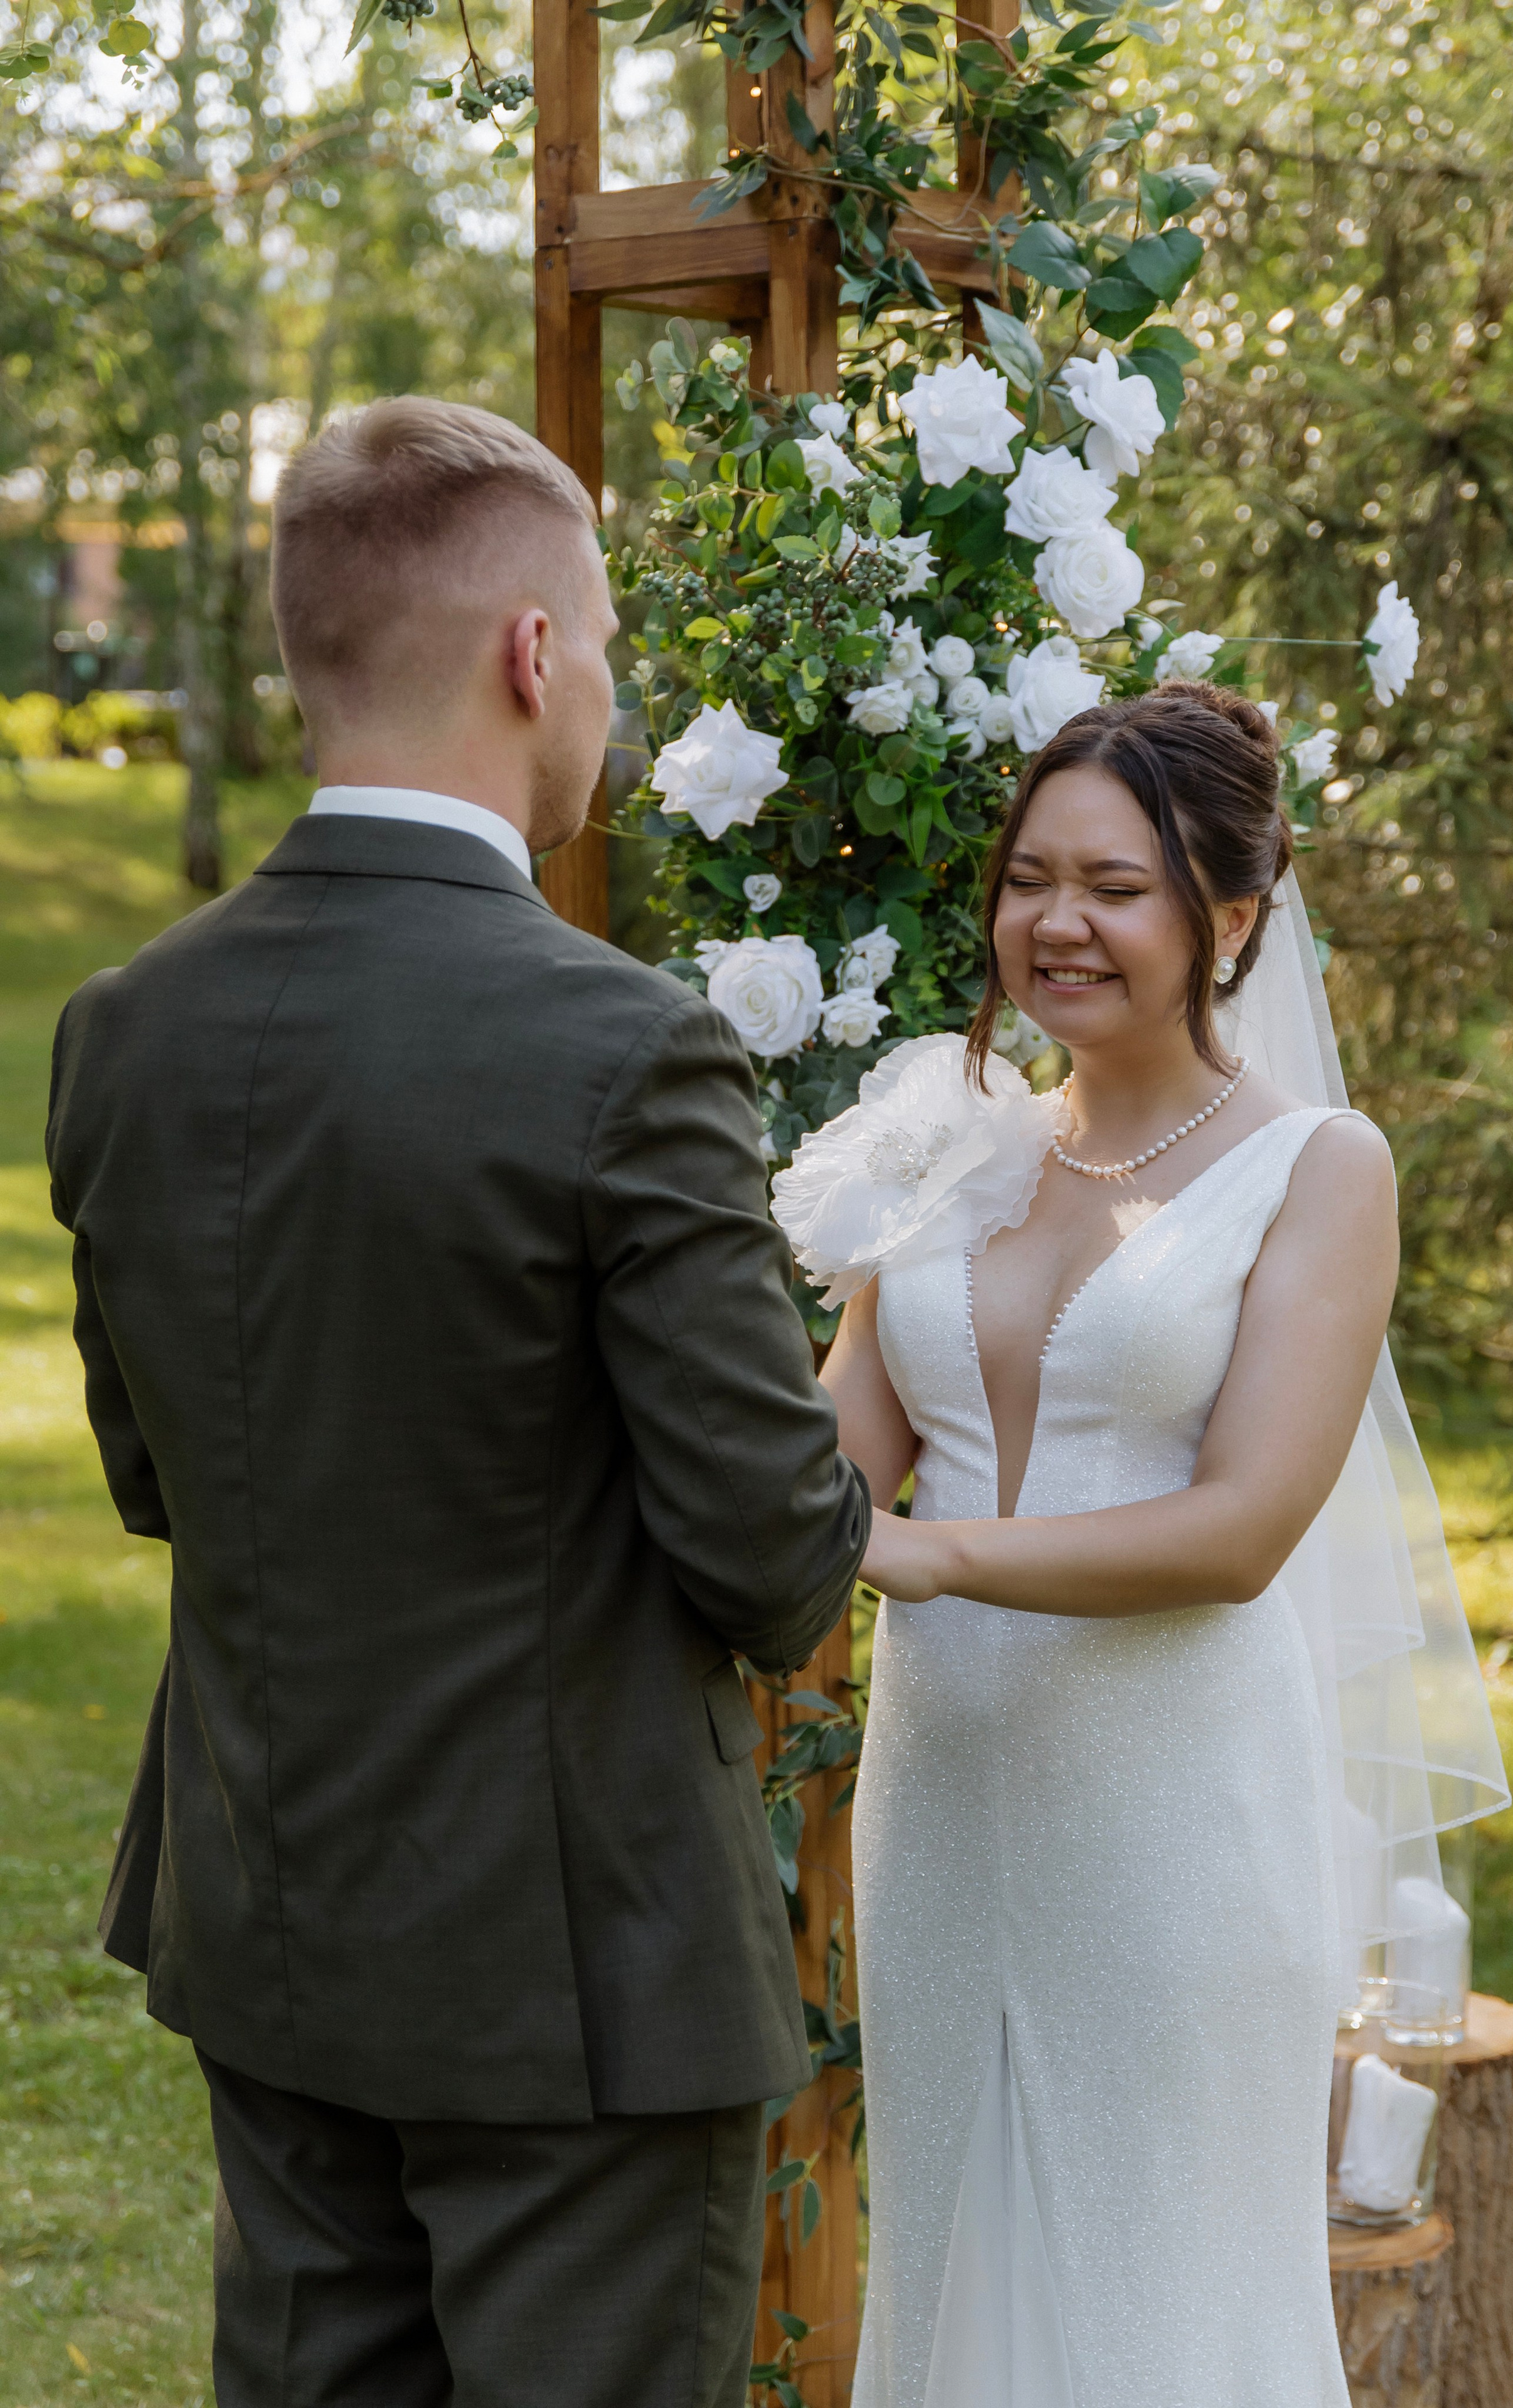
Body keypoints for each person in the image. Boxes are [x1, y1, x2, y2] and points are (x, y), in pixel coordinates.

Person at [46, 397, 870, 2408]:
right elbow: (775, 1561)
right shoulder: (624, 1049)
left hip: (270, 1918)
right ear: (528, 653)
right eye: (600, 642)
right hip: (575, 1984)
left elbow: (166, 1473)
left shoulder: (124, 1032)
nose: (603, 687)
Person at [772, 683, 1506, 2407]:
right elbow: (829, 1456)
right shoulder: (954, 1141)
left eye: (1115, 885)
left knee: (1155, 2288)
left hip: (1174, 1809)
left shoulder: (1321, 1168)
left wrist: (934, 1561)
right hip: (943, 1795)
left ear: (1230, 921)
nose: (1057, 924)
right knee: (951, 2248)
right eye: (1030, 879)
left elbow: (1248, 1528)